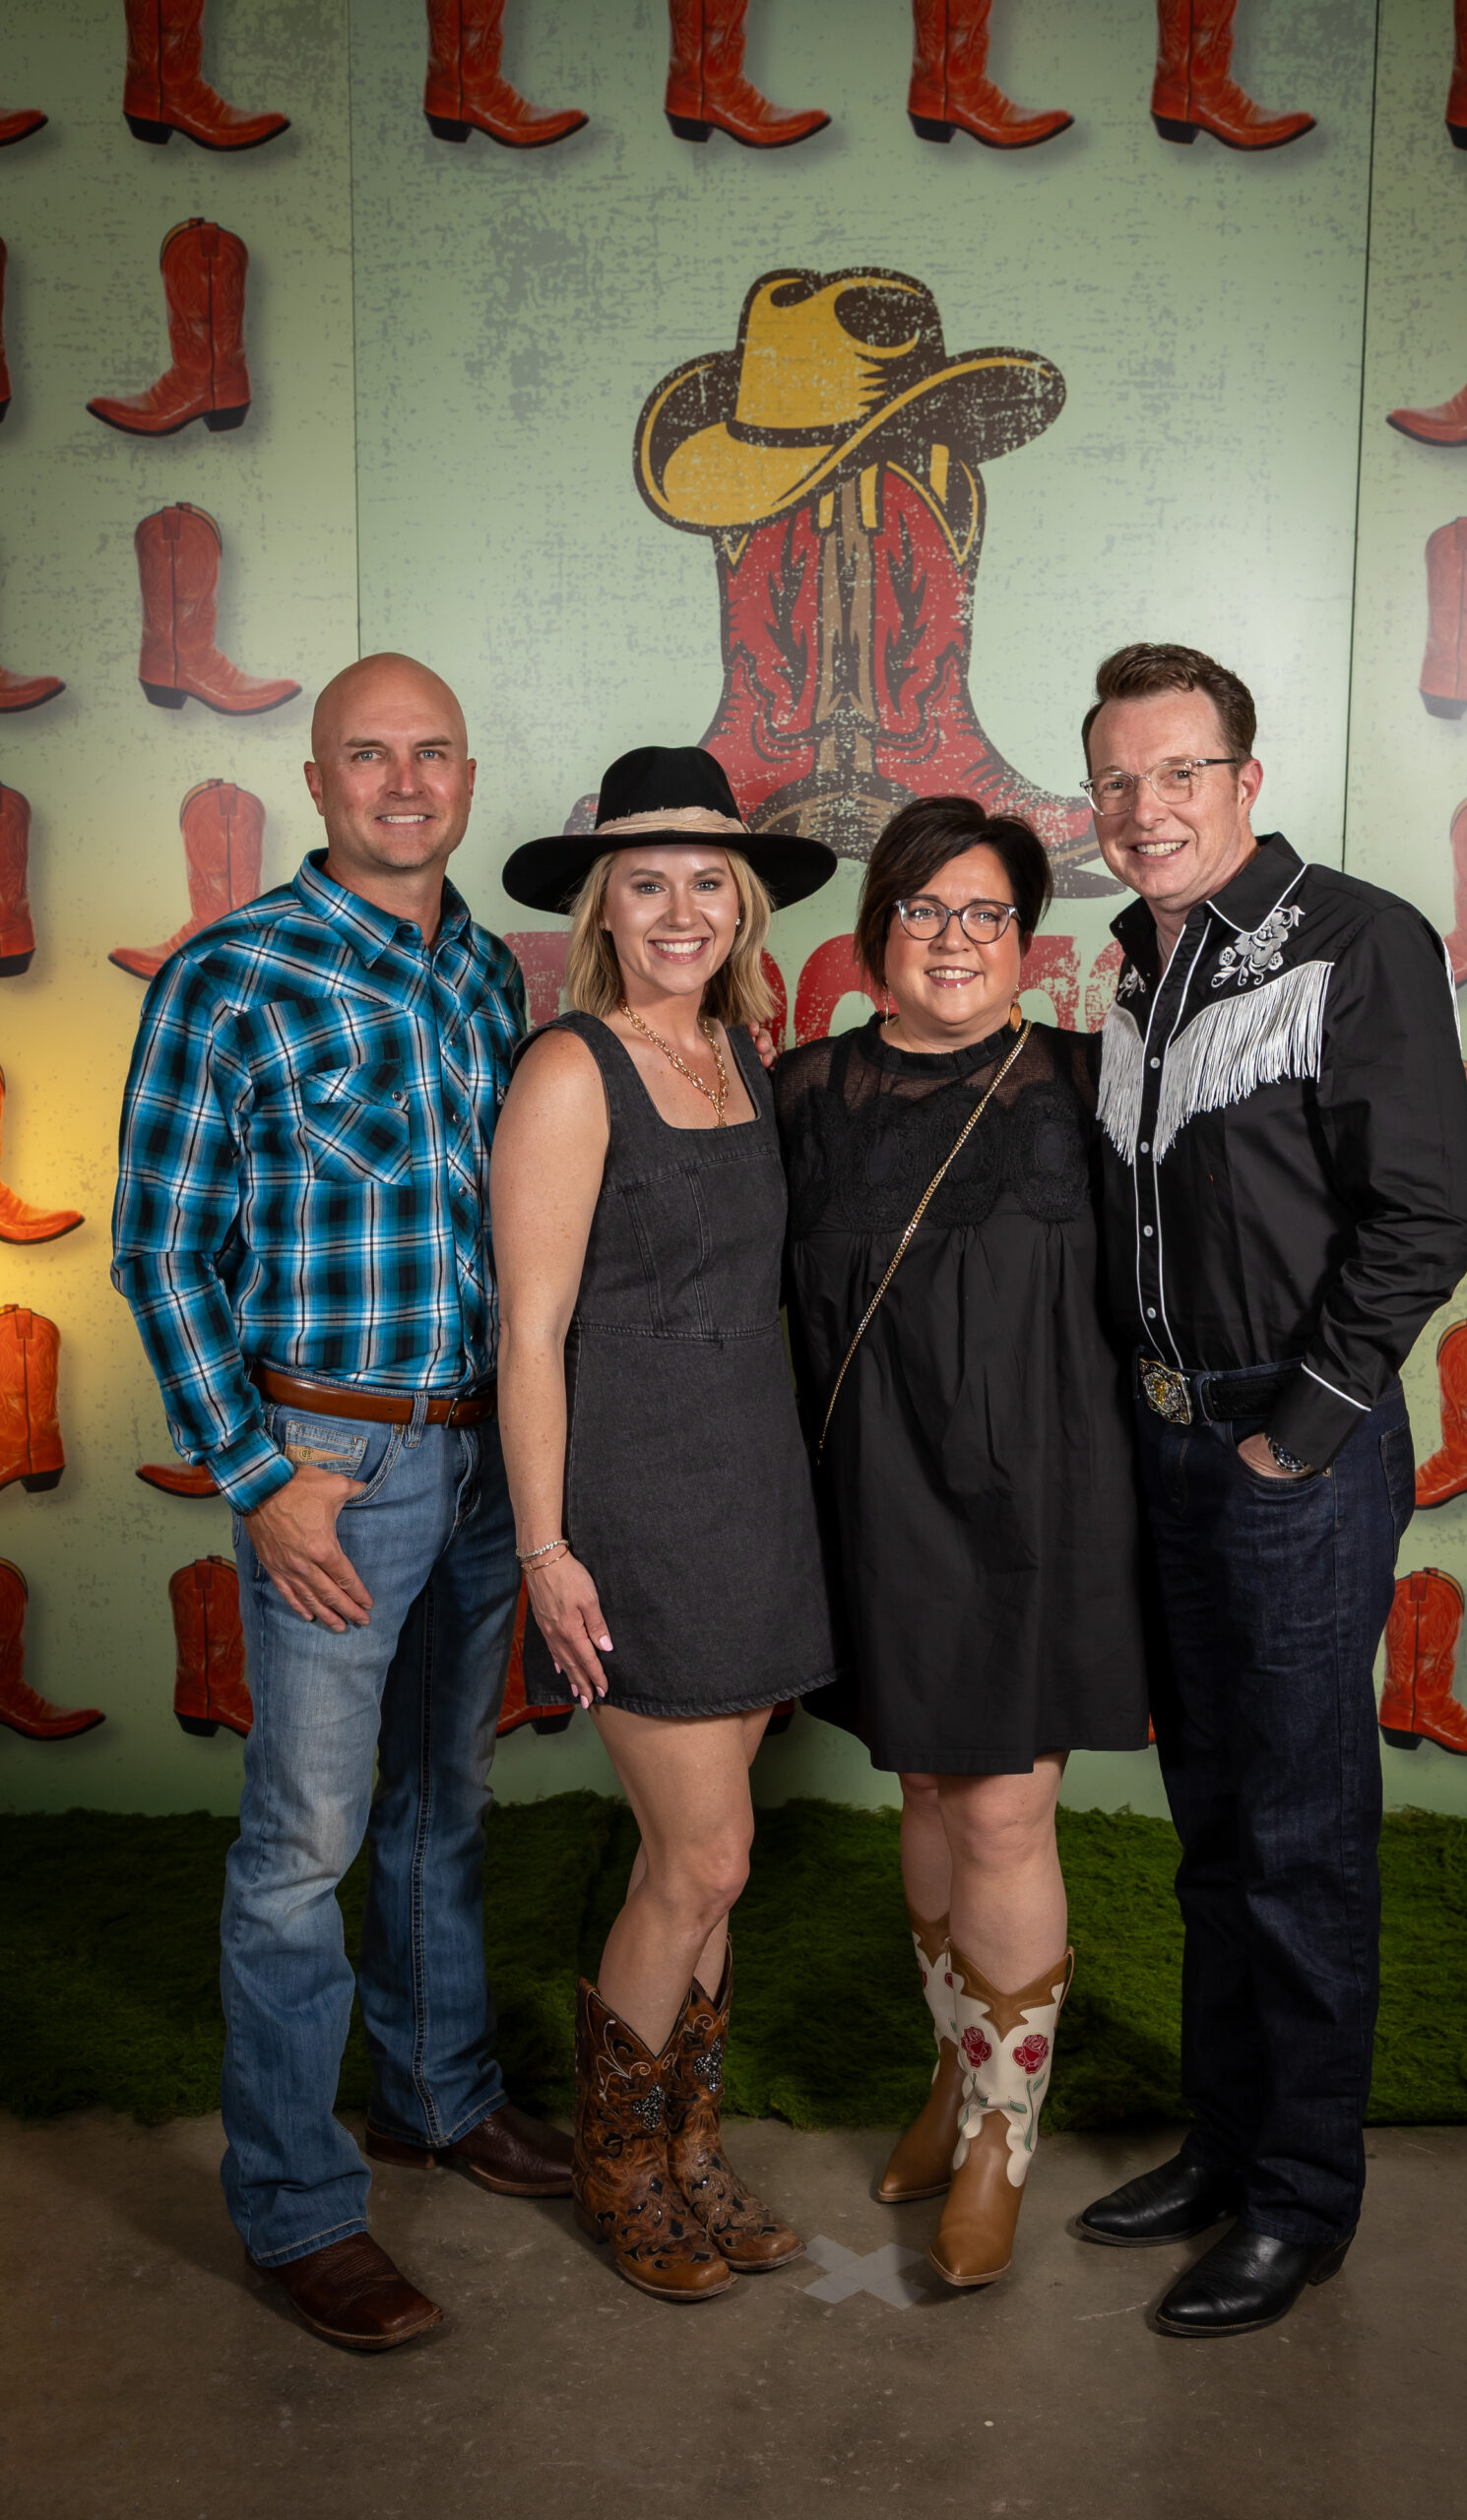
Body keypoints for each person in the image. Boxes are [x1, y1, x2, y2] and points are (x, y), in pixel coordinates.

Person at [111, 654, 574, 2355]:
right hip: (333, 1461)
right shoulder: (232, 974)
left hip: (479, 1455)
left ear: (468, 777)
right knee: (301, 1846)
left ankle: (436, 2098)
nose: (403, 781)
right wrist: (259, 1482)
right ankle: (299, 2207)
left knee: (444, 1797)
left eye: (431, 751)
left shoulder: (485, 974)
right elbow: (160, 1247)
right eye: (367, 754)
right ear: (314, 780)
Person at [1072, 642, 1467, 2337]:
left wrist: (1293, 1433)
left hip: (1287, 1448)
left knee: (1301, 1835)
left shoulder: (1356, 940)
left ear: (1246, 779)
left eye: (1181, 772)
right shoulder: (1132, 970)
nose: (1146, 807)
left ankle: (1302, 2202)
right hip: (1168, 1443)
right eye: (1118, 780)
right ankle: (1227, 2147)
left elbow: (1425, 1213)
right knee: (1219, 1827)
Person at [774, 795, 1153, 2291]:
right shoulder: (804, 1094)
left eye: (985, 913)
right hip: (878, 1497)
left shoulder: (1092, 1082)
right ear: (876, 934)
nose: (953, 938)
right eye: (923, 910)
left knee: (1001, 1811)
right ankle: (953, 2070)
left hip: (1047, 1508)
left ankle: (1002, 2131)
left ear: (1027, 940)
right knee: (929, 1790)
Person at [492, 743, 839, 2303]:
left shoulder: (745, 1056)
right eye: (649, 883)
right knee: (701, 1858)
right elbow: (530, 1332)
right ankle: (621, 2166)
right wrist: (548, 1548)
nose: (682, 908)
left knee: (715, 1860)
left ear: (744, 904)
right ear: (604, 909)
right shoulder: (572, 1070)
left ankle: (690, 2148)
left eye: (709, 880)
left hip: (755, 1487)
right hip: (637, 1497)